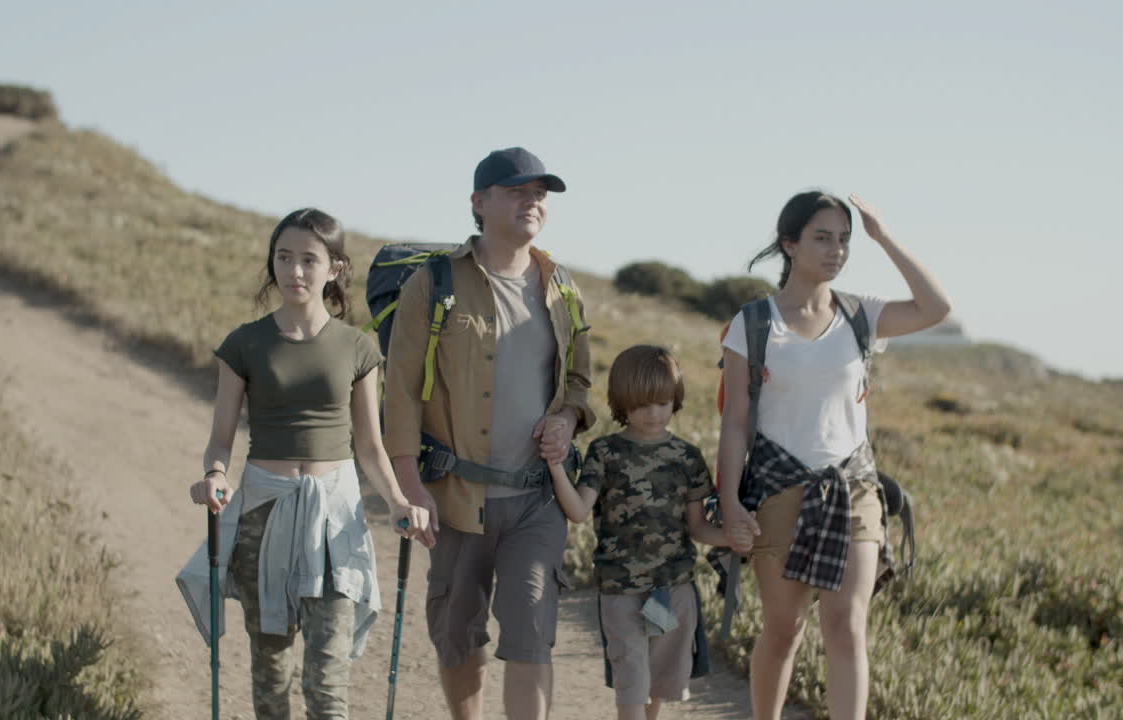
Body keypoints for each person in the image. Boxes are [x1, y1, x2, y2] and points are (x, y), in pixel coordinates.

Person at [183, 208, 430, 720]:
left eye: (309, 260)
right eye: (284, 258)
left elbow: (369, 446)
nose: (294, 271)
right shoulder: (244, 343)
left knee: (326, 681)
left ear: (335, 268)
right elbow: (220, 441)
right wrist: (213, 476)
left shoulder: (358, 347)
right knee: (271, 676)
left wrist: (400, 502)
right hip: (263, 512)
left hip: (334, 518)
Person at [716, 191, 952, 720]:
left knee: (847, 627)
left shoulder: (860, 314)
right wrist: (729, 501)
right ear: (789, 243)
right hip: (777, 487)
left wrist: (882, 235)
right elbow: (733, 422)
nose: (837, 250)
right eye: (823, 237)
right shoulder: (752, 324)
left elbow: (936, 308)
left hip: (855, 489)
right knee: (783, 631)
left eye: (843, 240)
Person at [382, 147, 595, 720]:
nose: (532, 201)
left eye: (540, 193)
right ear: (479, 203)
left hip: (535, 500)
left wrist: (567, 418)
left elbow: (579, 377)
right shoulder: (434, 284)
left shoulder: (562, 285)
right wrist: (410, 490)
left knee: (531, 632)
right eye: (516, 190)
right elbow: (399, 392)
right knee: (458, 636)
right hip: (454, 496)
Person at [547, 344, 746, 720]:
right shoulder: (605, 452)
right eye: (641, 405)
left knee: (658, 681)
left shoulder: (687, 458)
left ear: (675, 399)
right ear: (623, 403)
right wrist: (557, 468)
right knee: (632, 682)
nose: (653, 414)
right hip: (621, 590)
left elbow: (699, 528)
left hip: (671, 590)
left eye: (663, 402)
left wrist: (733, 536)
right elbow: (577, 511)